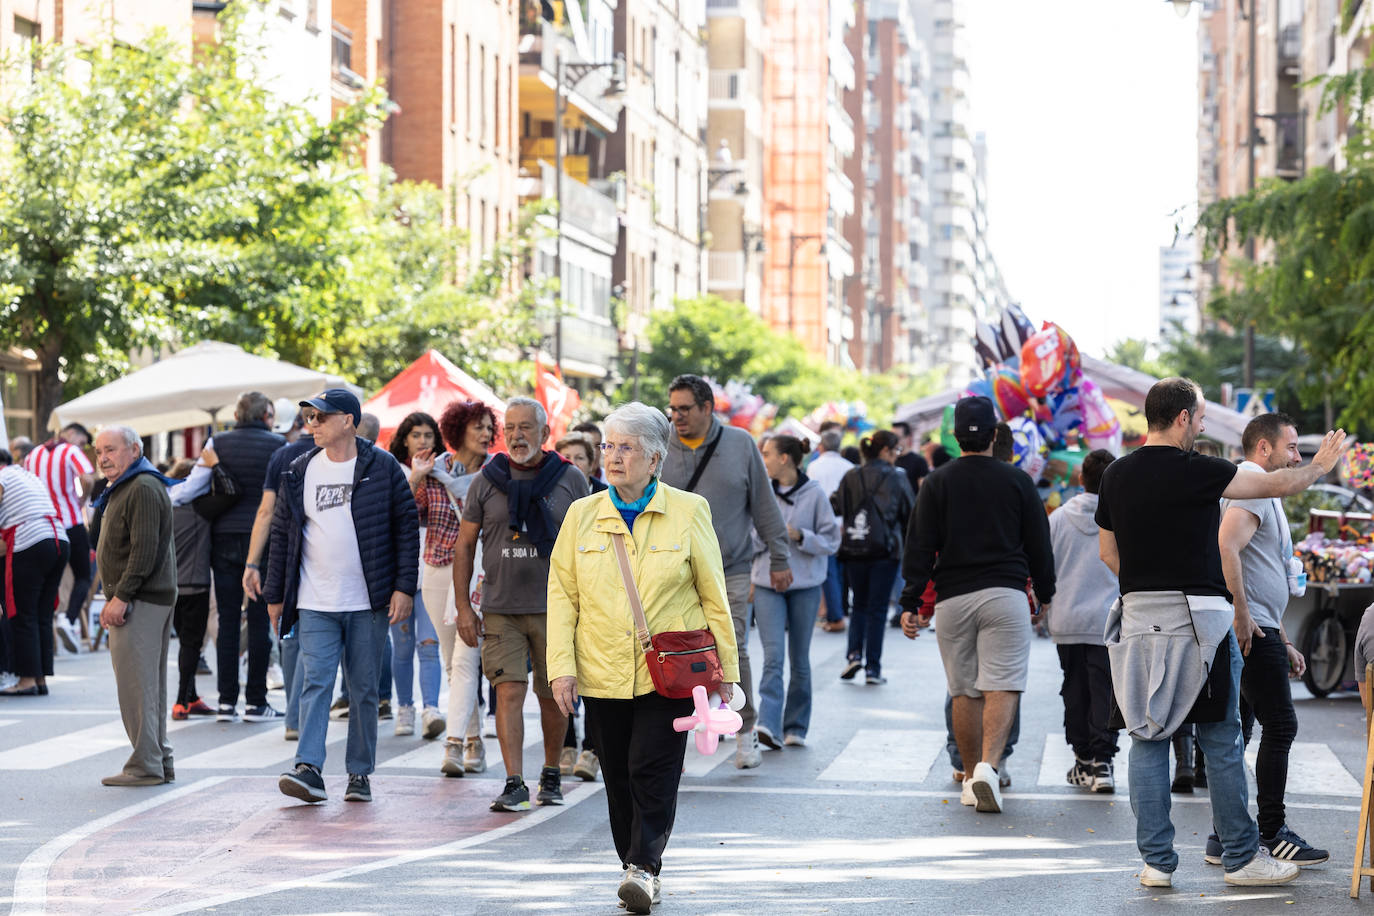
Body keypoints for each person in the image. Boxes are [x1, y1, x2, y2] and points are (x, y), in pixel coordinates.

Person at [1095, 376, 1347, 888]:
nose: (1204, 426)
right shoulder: (1199, 471)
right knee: (1221, 738)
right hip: (1200, 618)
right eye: (1203, 417)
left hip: (1138, 616)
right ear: (1184, 417)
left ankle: (1157, 864)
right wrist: (1320, 464)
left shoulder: (1115, 474)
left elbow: (1107, 551)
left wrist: (1147, 583)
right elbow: (1276, 484)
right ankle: (1239, 858)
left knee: (1147, 737)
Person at [547, 402, 739, 915]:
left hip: (671, 674)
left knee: (651, 767)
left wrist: (729, 674)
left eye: (625, 447)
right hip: (602, 670)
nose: (612, 457)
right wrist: (561, 667)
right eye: (608, 446)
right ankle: (632, 862)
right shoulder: (583, 515)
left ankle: (644, 867)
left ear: (654, 458)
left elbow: (713, 595)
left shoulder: (689, 510)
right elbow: (562, 596)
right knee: (618, 776)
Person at [898, 396, 1054, 815]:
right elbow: (1039, 543)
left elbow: (919, 545)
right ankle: (990, 765)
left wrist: (911, 600)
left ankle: (970, 777)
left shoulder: (936, 482)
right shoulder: (1018, 481)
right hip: (1005, 594)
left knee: (963, 690)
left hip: (952, 598)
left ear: (954, 437)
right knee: (1002, 684)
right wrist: (1046, 592)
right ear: (995, 434)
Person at [265, 388, 419, 804]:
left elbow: (406, 528)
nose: (311, 425)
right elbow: (282, 534)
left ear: (348, 421)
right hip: (315, 600)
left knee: (364, 688)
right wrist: (275, 594)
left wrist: (404, 587)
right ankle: (309, 768)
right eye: (309, 418)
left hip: (367, 600)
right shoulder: (299, 470)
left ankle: (359, 773)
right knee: (315, 681)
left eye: (320, 417)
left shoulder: (382, 467)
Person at [452, 397, 588, 811]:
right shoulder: (485, 480)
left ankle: (550, 771)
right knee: (507, 691)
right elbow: (464, 545)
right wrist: (462, 607)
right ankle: (514, 782)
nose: (516, 435)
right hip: (500, 607)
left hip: (557, 610)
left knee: (552, 695)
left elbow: (588, 546)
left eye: (526, 427)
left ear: (546, 434)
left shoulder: (571, 479)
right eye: (509, 427)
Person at [1207, 413, 1327, 866]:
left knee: (1240, 730)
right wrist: (1242, 615)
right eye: (1292, 448)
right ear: (1263, 448)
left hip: (1259, 626)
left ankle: (1225, 836)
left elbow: (1261, 567)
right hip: (1250, 626)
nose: (1296, 457)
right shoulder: (1254, 479)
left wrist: (1283, 637)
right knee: (1280, 726)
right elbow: (1226, 544)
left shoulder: (1259, 486)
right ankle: (1272, 831)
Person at [660, 374, 791, 769]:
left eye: (685, 409)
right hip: (670, 571)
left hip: (729, 568)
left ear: (706, 408)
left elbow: (765, 506)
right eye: (673, 409)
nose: (677, 417)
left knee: (730, 648)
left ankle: (745, 731)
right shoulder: (660, 444)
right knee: (675, 651)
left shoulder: (740, 444)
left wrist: (780, 558)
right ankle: (678, 739)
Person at [168, 393, 285, 723]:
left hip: (223, 540)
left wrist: (165, 494)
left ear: (236, 414)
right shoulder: (278, 445)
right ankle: (256, 701)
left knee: (228, 621)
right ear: (265, 415)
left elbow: (191, 489)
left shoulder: (217, 442)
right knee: (261, 621)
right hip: (263, 542)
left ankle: (226, 701)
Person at [91, 426, 178, 786]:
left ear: (134, 449)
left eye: (110, 449)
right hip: (145, 596)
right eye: (98, 452)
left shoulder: (141, 486)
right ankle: (157, 759)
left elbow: (143, 551)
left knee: (136, 687)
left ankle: (145, 765)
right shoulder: (134, 484)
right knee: (147, 686)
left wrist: (120, 597)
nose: (104, 458)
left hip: (140, 599)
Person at [752, 434, 839, 748]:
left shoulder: (814, 494)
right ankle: (768, 724)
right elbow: (749, 538)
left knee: (799, 659)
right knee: (772, 657)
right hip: (766, 584)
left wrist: (801, 535)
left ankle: (796, 727)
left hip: (805, 585)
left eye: (767, 454)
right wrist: (773, 536)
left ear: (784, 458)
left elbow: (831, 541)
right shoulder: (762, 492)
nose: (763, 460)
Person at [1047, 448, 1120, 794]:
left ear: (1081, 479)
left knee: (1073, 689)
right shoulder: (1123, 518)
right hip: (1108, 621)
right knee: (1105, 691)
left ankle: (1082, 759)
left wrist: (1043, 603)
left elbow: (1046, 565)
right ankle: (1103, 762)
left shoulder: (1058, 518)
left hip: (1067, 618)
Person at [434, 400, 498, 777]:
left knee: (465, 658)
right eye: (478, 426)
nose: (486, 434)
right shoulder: (435, 470)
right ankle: (473, 741)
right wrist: (415, 476)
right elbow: (411, 514)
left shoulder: (498, 473)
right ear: (459, 429)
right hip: (437, 569)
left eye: (490, 427)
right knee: (452, 663)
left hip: (480, 571)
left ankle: (454, 744)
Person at [244, 422, 316, 740]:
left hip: (284, 555)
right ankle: (299, 715)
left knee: (290, 636)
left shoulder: (282, 455)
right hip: (318, 560)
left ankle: (293, 715)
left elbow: (266, 512)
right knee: (311, 638)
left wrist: (252, 562)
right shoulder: (341, 454)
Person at [832, 429, 914, 686]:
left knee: (859, 605)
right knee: (878, 608)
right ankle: (873, 668)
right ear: (885, 451)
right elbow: (910, 514)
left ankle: (854, 654)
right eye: (896, 451)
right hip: (885, 550)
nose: (897, 456)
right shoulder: (897, 477)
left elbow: (836, 505)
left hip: (854, 548)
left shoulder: (851, 475)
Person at [388, 412, 448, 741]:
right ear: (405, 439)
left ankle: (431, 709)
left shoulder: (444, 471)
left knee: (429, 644)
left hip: (435, 566)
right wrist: (415, 477)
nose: (423, 441)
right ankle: (404, 708)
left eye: (428, 435)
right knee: (401, 646)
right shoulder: (392, 470)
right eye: (416, 434)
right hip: (401, 570)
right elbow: (394, 514)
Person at [0, 449, 70, 696]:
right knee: (41, 613)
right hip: (59, 540)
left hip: (29, 541)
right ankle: (40, 678)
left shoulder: (2, 478)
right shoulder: (28, 476)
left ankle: (26, 680)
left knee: (22, 613)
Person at [23, 422, 95, 654]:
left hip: (41, 527)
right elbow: (88, 478)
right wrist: (81, 500)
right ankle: (69, 619)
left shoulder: (32, 455)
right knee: (83, 575)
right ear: (71, 434)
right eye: (83, 442)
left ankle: (48, 638)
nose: (81, 446)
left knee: (47, 583)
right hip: (69, 522)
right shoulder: (70, 451)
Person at [167, 458, 215, 719]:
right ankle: (180, 701)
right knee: (191, 645)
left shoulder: (166, 509)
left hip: (170, 587)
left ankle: (192, 696)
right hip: (195, 584)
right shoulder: (201, 510)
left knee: (185, 643)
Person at [808, 428, 852, 633]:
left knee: (829, 571)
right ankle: (839, 611)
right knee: (843, 571)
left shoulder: (814, 467)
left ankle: (835, 615)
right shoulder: (849, 467)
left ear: (822, 446)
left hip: (823, 524)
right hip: (848, 524)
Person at [571, 421, 607, 487]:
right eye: (588, 446)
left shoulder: (612, 483)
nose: (594, 452)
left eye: (597, 446)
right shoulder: (561, 482)